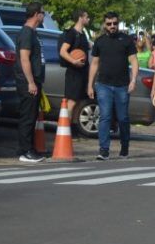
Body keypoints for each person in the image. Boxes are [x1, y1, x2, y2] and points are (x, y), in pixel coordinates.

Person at [88, 11, 138, 160]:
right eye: (109, 24)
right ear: (104, 24)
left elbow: (134, 61)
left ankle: (124, 147)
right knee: (105, 117)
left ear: (118, 23)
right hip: (103, 84)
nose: (112, 26)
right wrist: (89, 85)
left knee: (123, 118)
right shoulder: (100, 41)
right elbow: (94, 64)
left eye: (115, 23)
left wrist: (133, 80)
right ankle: (104, 150)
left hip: (122, 85)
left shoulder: (126, 40)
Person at [15, 2, 48, 164]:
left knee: (31, 115)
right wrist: (30, 82)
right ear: (36, 14)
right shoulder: (27, 33)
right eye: (43, 13)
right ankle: (25, 151)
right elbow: (24, 58)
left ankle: (27, 148)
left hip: (34, 81)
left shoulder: (33, 33)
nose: (44, 16)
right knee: (27, 117)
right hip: (27, 82)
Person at [59, 9, 91, 115]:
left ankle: (72, 128)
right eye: (86, 17)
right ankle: (65, 128)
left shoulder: (82, 34)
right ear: (80, 18)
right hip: (74, 74)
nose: (88, 19)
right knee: (71, 102)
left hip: (83, 73)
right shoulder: (71, 33)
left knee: (78, 103)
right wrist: (74, 61)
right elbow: (63, 51)